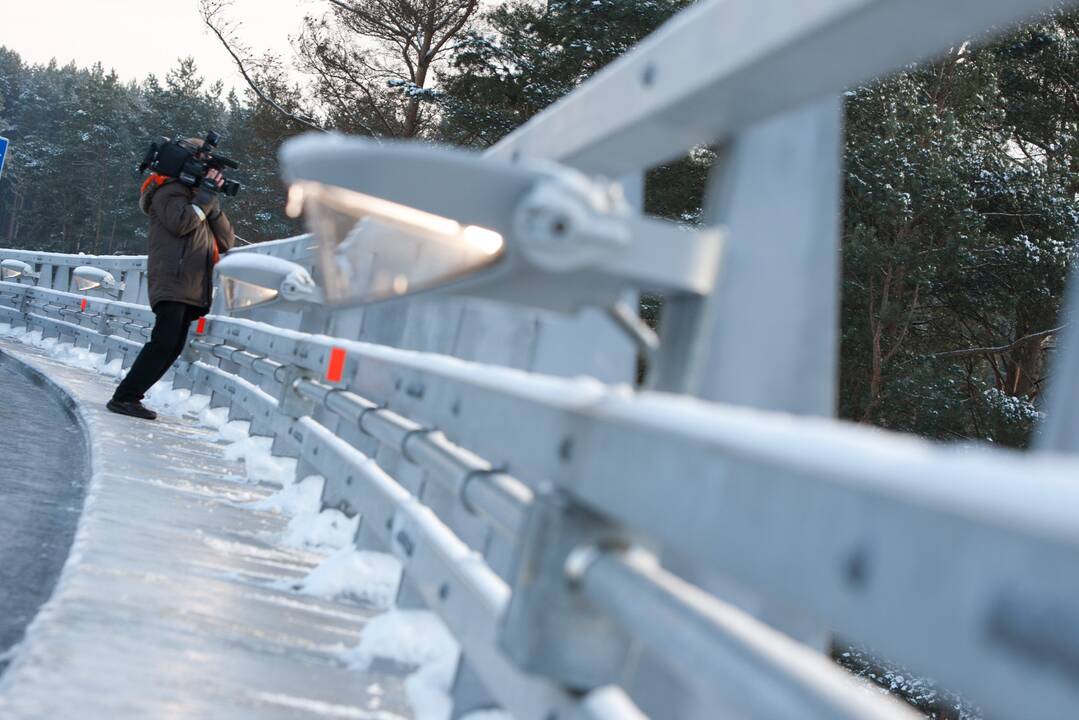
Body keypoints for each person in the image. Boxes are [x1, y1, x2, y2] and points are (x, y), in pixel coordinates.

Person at [107, 139, 235, 420]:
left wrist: (210, 198)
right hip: (173, 278)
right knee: (163, 342)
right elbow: (182, 224)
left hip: (190, 283)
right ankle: (125, 397)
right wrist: (205, 196)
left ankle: (129, 396)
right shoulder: (168, 192)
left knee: (172, 345)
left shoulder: (197, 197)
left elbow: (226, 240)